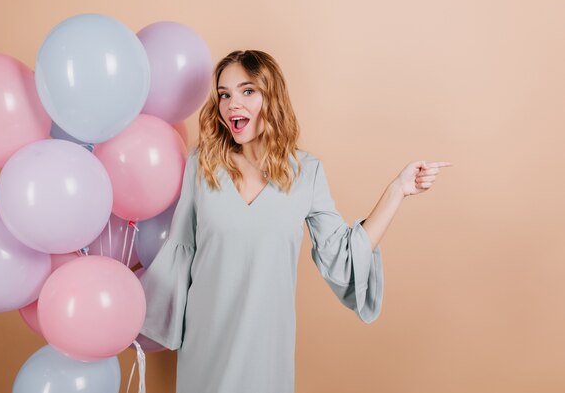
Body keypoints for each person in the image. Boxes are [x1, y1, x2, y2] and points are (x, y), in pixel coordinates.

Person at [138, 50, 452, 393]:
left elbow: (344, 254)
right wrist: (130, 318)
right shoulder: (203, 164)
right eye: (224, 94)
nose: (232, 104)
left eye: (247, 91)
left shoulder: (306, 172)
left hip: (266, 350)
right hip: (206, 344)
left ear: (271, 97)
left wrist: (397, 191)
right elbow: (181, 251)